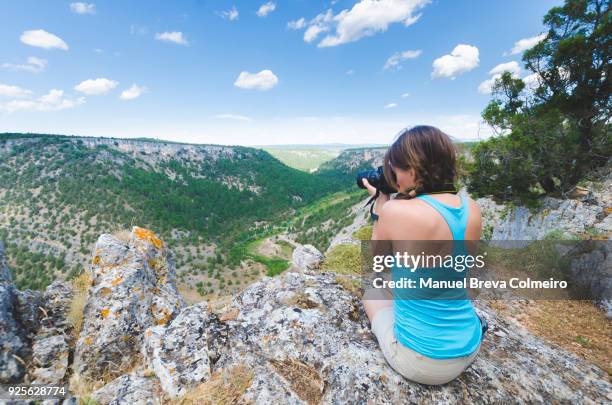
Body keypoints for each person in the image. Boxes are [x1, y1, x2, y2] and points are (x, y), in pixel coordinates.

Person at [361, 125, 484, 385]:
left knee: (373, 294)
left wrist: (382, 203)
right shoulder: (470, 206)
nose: (394, 177)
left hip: (425, 362)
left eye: (395, 168)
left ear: (413, 169)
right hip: (470, 343)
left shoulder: (395, 210)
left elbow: (377, 261)